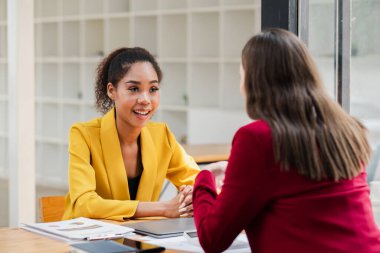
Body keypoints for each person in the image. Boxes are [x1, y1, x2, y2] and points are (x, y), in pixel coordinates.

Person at [193, 28, 380, 253]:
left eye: (241, 74)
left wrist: (203, 180)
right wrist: (237, 174)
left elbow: (212, 238)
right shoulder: (347, 129)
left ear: (253, 81)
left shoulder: (257, 138)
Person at [63, 47, 200, 221]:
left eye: (153, 89)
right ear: (112, 91)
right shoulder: (83, 134)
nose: (145, 99)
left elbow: (196, 180)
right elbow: (84, 204)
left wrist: (191, 193)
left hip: (145, 243)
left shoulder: (161, 135)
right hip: (90, 244)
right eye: (134, 89)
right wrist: (163, 208)